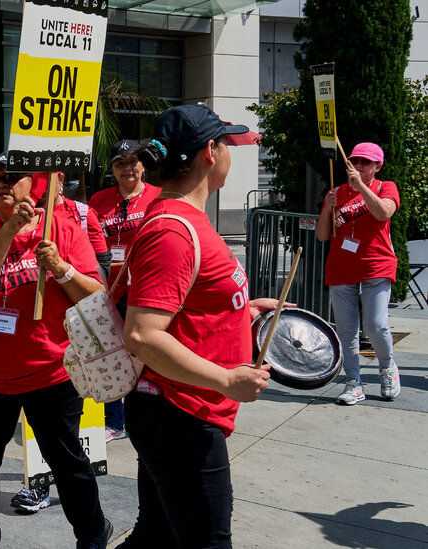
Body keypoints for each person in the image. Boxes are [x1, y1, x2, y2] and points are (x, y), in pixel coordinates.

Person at [119, 104, 279, 548]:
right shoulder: (172, 230)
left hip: (179, 410)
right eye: (226, 143)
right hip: (180, 414)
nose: (230, 151)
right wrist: (227, 378)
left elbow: (186, 307)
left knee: (157, 536)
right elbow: (142, 334)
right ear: (210, 151)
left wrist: (239, 311)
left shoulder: (189, 219)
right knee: (206, 541)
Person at [0, 159, 112, 548]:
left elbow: (97, 297)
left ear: (36, 184)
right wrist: (11, 228)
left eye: (11, 178)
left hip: (51, 373)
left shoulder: (64, 230)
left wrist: (61, 269)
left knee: (67, 463)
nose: (0, 186)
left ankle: (94, 533)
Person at [315, 142, 401, 404]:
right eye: (355, 160)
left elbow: (384, 212)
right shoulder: (336, 192)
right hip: (341, 268)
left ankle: (387, 367)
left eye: (365, 162)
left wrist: (361, 187)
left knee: (376, 325)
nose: (358, 165)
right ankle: (353, 382)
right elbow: (321, 236)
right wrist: (328, 208)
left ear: (377, 166)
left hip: (377, 265)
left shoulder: (385, 187)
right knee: (346, 330)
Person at [89, 139, 163, 443]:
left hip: (147, 290)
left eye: (133, 162)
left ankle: (150, 416)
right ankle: (114, 421)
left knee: (148, 354)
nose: (128, 168)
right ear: (112, 170)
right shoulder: (99, 201)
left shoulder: (159, 197)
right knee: (110, 355)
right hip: (109, 291)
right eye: (120, 164)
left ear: (143, 165)